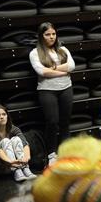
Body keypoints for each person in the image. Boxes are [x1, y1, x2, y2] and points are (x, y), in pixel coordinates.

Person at [28, 22, 75, 165]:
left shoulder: (63, 49)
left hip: (66, 88)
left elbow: (72, 66)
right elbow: (42, 72)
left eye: (53, 34)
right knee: (52, 122)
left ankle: (66, 153)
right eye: (47, 34)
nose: (51, 37)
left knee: (65, 122)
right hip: (47, 91)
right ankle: (51, 154)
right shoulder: (35, 53)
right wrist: (62, 70)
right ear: (41, 36)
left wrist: (53, 68)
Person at [0, 104, 35, 181]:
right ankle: (16, 170)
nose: (2, 117)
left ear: (7, 116)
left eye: (4, 114)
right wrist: (11, 162)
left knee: (16, 139)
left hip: (15, 163)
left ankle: (25, 169)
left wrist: (26, 158)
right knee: (5, 141)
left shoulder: (13, 128)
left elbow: (24, 143)